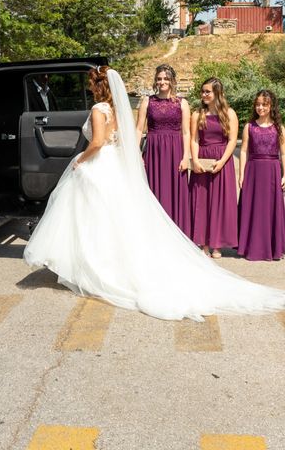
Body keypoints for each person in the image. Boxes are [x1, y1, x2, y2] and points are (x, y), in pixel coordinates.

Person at [23, 66, 285, 322]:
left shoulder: (99, 110)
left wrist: (81, 160)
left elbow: (99, 142)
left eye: (91, 84)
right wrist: (135, 156)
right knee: (111, 215)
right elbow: (134, 132)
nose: (89, 87)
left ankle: (97, 266)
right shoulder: (116, 109)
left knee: (95, 216)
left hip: (102, 163)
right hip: (117, 162)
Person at [136, 64, 191, 235]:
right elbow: (139, 129)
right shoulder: (148, 101)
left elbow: (187, 132)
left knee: (175, 193)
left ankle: (177, 234)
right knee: (153, 190)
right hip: (154, 151)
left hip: (175, 151)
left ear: (172, 80)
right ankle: (155, 234)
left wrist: (186, 157)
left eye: (166, 78)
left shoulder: (182, 103)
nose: (162, 82)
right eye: (159, 78)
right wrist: (136, 153)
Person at [189, 78, 239, 259]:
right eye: (202, 91)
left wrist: (223, 161)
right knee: (202, 202)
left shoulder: (229, 113)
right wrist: (194, 160)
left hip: (222, 161)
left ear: (217, 92)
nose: (204, 95)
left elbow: (233, 140)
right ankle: (204, 243)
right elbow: (194, 139)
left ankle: (217, 244)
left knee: (220, 203)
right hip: (202, 159)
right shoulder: (197, 114)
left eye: (207, 91)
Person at [237, 90, 285, 261]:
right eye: (258, 104)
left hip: (272, 171)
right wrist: (241, 174)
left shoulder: (279, 128)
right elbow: (243, 151)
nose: (260, 107)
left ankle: (272, 248)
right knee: (253, 208)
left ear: (271, 106)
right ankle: (251, 247)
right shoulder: (249, 126)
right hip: (253, 170)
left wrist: (284, 175)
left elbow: (283, 154)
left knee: (270, 209)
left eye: (264, 104)